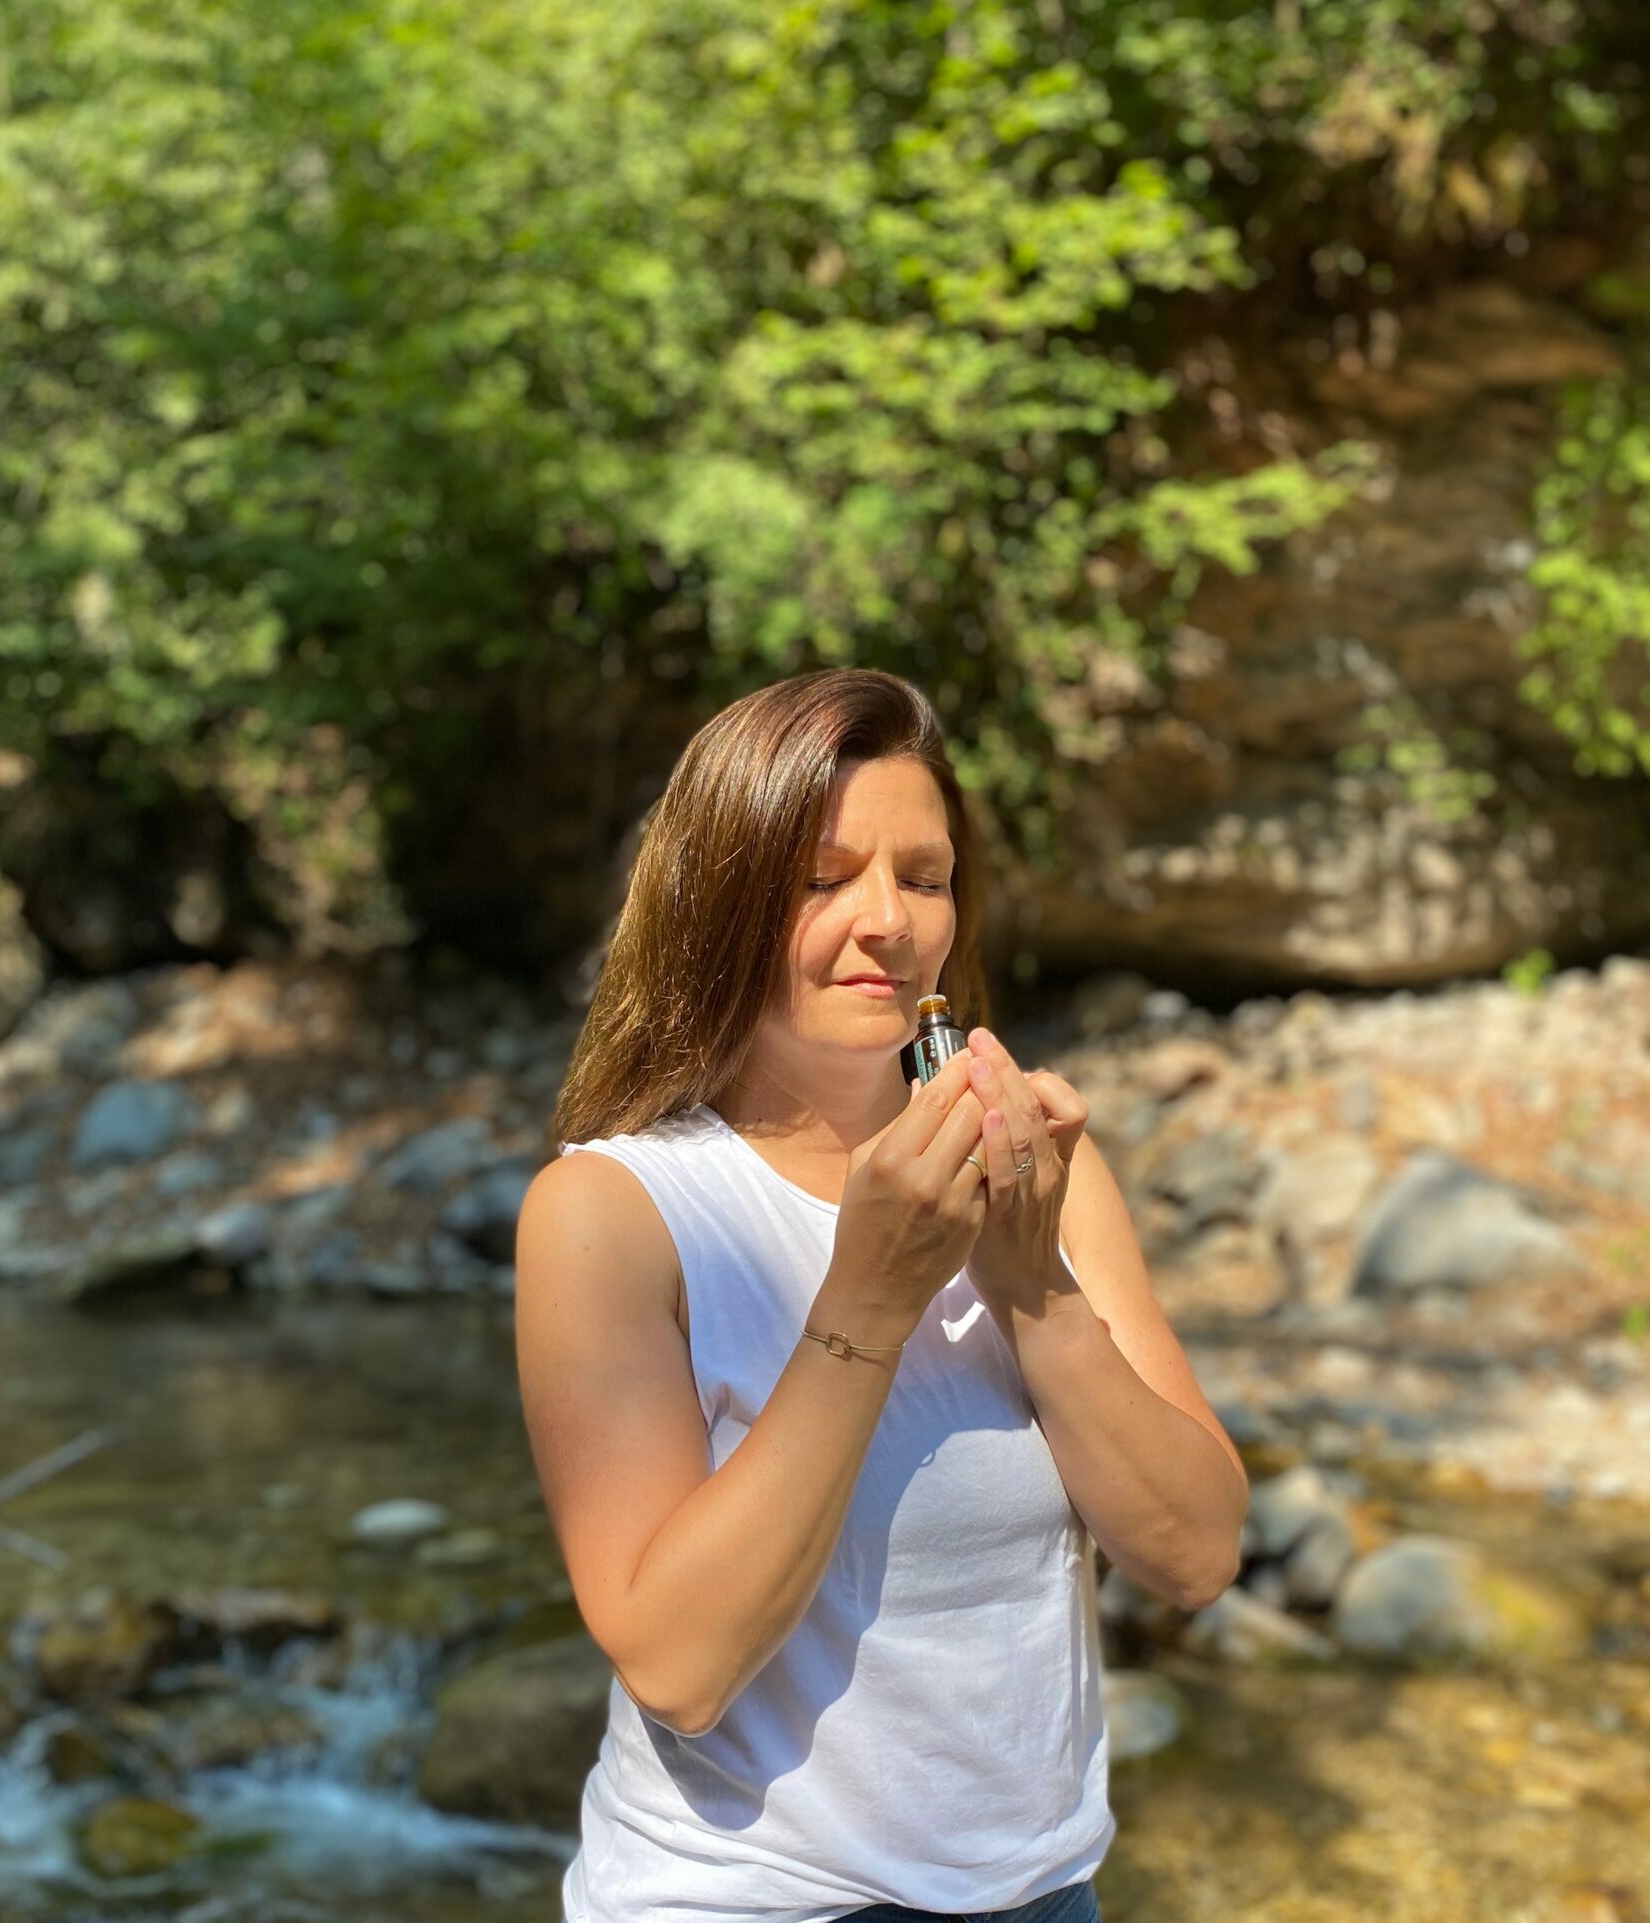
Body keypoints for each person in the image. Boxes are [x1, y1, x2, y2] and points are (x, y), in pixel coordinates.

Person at [517, 668, 1249, 1923]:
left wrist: (1032, 1285)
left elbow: (1196, 1552)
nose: (888, 922)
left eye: (925, 876)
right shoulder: (614, 1212)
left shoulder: (1041, 1172)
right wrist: (867, 1301)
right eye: (822, 880)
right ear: (716, 897)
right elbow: (679, 1667)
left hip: (1043, 1891)